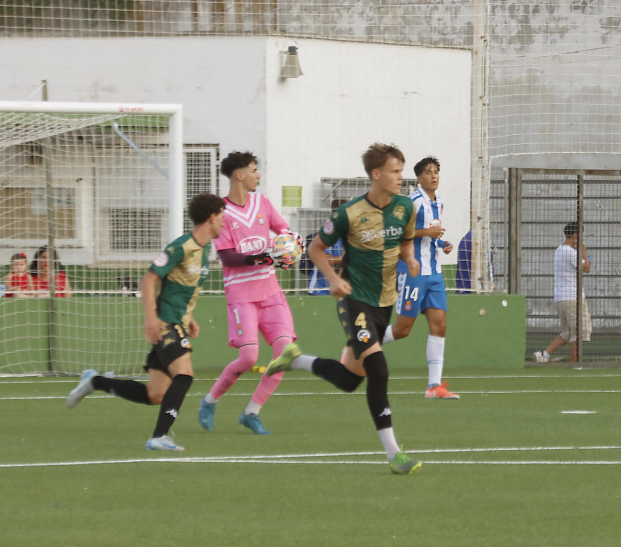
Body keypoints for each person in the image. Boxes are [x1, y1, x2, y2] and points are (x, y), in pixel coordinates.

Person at [265, 143, 423, 475]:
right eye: (395, 171)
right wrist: (332, 278)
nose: (401, 177)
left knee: (351, 380)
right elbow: (315, 248)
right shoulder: (348, 213)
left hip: (385, 301)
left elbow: (407, 241)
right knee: (379, 369)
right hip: (354, 299)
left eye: (401, 170)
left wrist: (409, 258)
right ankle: (394, 454)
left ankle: (296, 359)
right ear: (376, 174)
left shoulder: (406, 207)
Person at [66, 193, 227, 451]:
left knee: (155, 394)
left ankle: (95, 381)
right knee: (184, 375)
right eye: (221, 216)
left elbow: (179, 288)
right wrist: (151, 318)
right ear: (211, 217)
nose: (223, 221)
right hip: (166, 324)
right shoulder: (180, 247)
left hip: (178, 321)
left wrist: (190, 318)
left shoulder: (205, 249)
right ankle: (159, 437)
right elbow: (149, 278)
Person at [196, 151, 299, 436]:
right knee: (248, 358)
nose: (258, 175)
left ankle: (251, 413)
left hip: (271, 293)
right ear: (239, 175)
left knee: (285, 355)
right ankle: (209, 400)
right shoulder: (221, 213)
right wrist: (264, 256)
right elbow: (227, 257)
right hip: (242, 296)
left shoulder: (262, 202)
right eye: (254, 170)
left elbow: (284, 232)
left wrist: (292, 244)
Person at [381, 156, 459, 399]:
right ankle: (361, 342)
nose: (433, 176)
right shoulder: (411, 202)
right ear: (418, 177)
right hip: (413, 273)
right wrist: (427, 232)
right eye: (428, 172)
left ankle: (433, 386)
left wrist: (442, 243)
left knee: (440, 325)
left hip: (434, 274)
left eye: (436, 172)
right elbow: (396, 233)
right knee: (403, 329)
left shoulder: (439, 203)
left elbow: (429, 238)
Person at [533, 222, 592, 363]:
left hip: (561, 298)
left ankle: (544, 355)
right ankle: (575, 363)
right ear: (575, 235)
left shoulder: (559, 250)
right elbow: (587, 268)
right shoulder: (570, 252)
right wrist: (583, 251)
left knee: (567, 332)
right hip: (572, 297)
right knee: (577, 332)